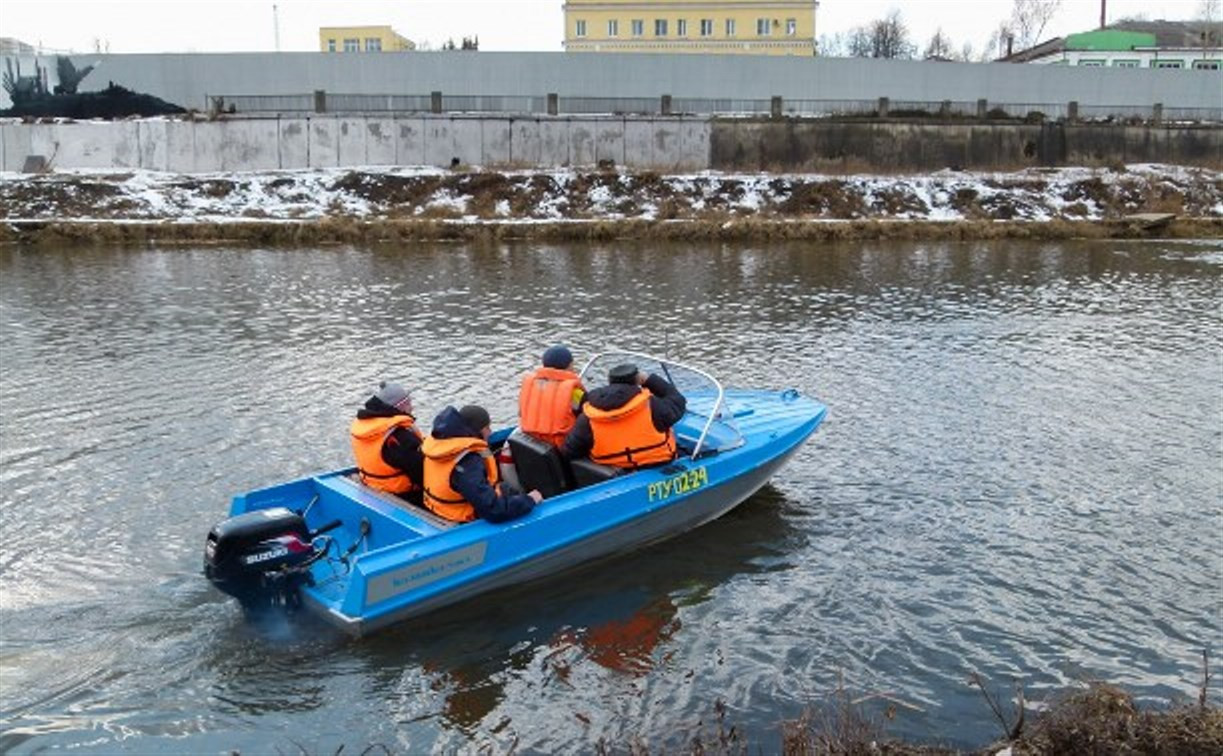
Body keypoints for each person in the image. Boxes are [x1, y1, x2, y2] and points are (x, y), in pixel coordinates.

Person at [421, 404, 542, 523]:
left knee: (505, 488)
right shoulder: (467, 462)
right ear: (479, 431)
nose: (490, 432)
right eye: (487, 428)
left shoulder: (441, 448)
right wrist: (529, 499)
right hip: (462, 519)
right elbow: (494, 510)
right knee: (515, 494)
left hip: (439, 510)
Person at [561, 363, 687, 469]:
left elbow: (569, 451)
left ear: (610, 382)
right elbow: (678, 401)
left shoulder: (588, 416)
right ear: (637, 381)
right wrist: (649, 380)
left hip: (611, 473)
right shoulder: (653, 407)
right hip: (655, 465)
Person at [350, 381, 424, 505]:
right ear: (400, 406)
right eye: (409, 403)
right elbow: (421, 473)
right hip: (402, 494)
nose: (412, 407)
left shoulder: (366, 428)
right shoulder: (398, 437)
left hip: (372, 484)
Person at [518, 344, 587, 448]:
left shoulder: (529, 385)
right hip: (559, 447)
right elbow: (587, 417)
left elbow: (521, 412)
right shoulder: (574, 392)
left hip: (530, 441)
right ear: (569, 366)